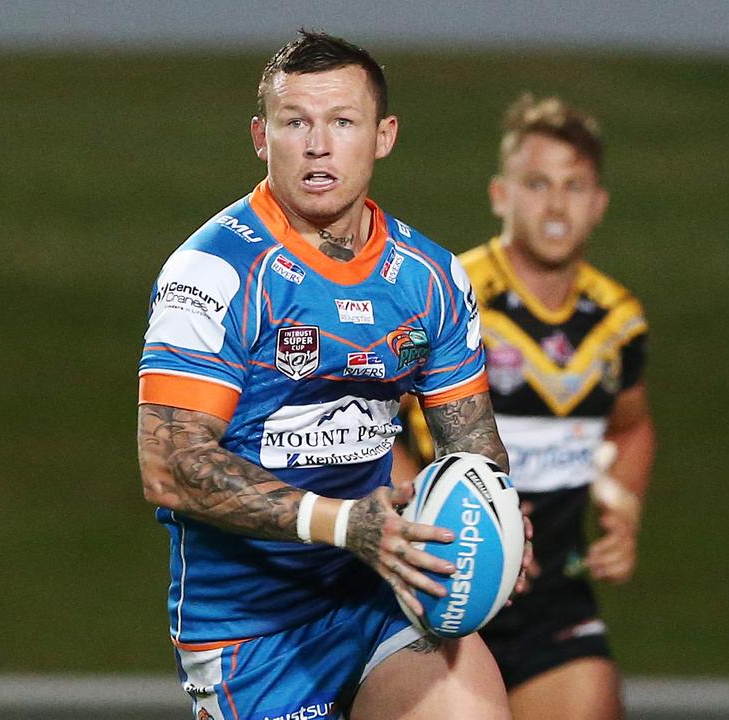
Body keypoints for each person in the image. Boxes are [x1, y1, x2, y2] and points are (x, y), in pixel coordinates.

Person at [136, 30, 521, 720]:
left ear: (383, 135)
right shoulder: (214, 273)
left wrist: (497, 522)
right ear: (262, 137)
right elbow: (170, 465)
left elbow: (474, 449)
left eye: (342, 122)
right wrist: (347, 524)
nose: (318, 144)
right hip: (249, 632)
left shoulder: (431, 279)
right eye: (295, 123)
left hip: (379, 595)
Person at [393, 94, 656, 720]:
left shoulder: (619, 322)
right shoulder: (451, 297)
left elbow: (632, 426)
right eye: (537, 184)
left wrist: (621, 504)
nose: (556, 204)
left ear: (599, 205)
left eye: (574, 186)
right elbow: (375, 430)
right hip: (438, 595)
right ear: (500, 195)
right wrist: (451, 538)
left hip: (554, 608)